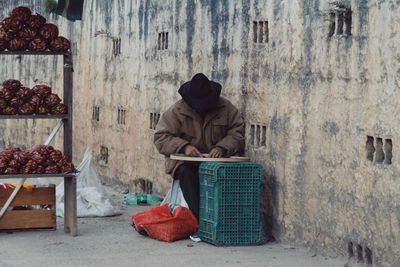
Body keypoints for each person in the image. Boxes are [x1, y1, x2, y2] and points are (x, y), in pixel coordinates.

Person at [154, 73, 245, 220]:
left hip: (217, 162)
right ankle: (200, 219)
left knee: (229, 176)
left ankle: (227, 218)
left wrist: (221, 148)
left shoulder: (226, 108)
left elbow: (237, 133)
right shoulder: (177, 111)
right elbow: (161, 137)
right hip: (185, 162)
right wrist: (185, 147)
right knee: (186, 173)